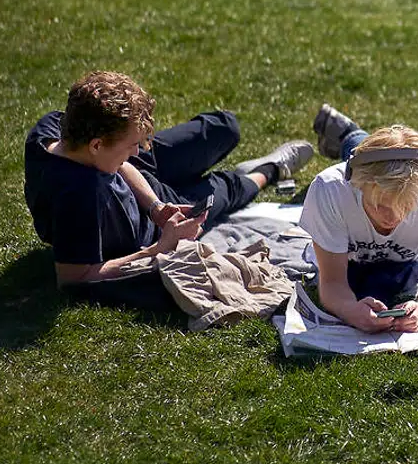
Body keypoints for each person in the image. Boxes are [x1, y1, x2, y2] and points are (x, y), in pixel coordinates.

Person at [22, 71, 312, 309]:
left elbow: (123, 163)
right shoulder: (78, 197)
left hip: (143, 187)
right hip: (152, 227)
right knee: (225, 189)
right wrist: (161, 247)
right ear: (97, 145)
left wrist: (156, 207)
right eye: (132, 144)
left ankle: (165, 168)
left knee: (224, 127)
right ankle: (270, 170)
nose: (138, 149)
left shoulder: (55, 131)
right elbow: (74, 278)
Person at [302, 110, 418, 333]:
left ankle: (348, 133)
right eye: (379, 205)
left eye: (406, 207)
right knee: (364, 152)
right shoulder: (331, 189)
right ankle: (348, 135)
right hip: (356, 257)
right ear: (358, 185)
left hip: (400, 265)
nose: (392, 218)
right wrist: (349, 310)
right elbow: (332, 282)